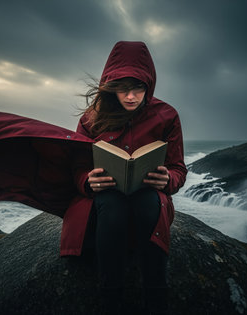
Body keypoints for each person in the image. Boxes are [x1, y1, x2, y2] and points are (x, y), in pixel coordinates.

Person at [61, 41, 188, 314]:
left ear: (149, 84)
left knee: (149, 204)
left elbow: (178, 167)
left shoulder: (167, 115)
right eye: (122, 88)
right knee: (111, 205)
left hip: (148, 195)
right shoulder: (91, 118)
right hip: (106, 199)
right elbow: (77, 167)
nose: (130, 96)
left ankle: (156, 299)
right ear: (110, 85)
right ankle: (110, 300)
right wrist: (87, 180)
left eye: (138, 88)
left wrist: (168, 180)